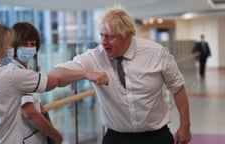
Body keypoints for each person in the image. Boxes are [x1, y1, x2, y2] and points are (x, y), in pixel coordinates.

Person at [49, 7, 191, 144]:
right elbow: (56, 76)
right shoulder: (95, 57)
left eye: (110, 37)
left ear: (127, 37)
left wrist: (185, 126)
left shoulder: (156, 53)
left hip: (156, 136)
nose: (103, 42)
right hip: (116, 138)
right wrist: (86, 74)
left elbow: (177, 88)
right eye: (101, 35)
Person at [0, 21, 109, 144]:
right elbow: (52, 84)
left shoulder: (7, 73)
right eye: (8, 44)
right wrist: (86, 74)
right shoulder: (13, 74)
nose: (9, 48)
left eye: (32, 44)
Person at [10, 22, 61, 144]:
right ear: (13, 45)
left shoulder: (22, 70)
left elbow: (35, 103)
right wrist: (56, 136)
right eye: (23, 44)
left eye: (32, 44)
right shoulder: (16, 73)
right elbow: (30, 113)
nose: (28, 48)